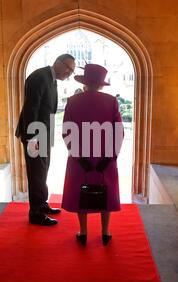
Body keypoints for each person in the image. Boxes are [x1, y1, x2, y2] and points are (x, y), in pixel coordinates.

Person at [61, 64, 124, 245]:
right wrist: (110, 157)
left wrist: (79, 157)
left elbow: (67, 132)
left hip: (80, 158)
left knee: (82, 192)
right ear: (101, 84)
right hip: (105, 157)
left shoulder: (72, 101)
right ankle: (105, 232)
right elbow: (118, 132)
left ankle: (83, 232)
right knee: (106, 191)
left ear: (85, 83)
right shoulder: (112, 101)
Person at [15, 54, 76, 226]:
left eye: (71, 70)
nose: (69, 73)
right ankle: (36, 213)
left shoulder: (51, 78)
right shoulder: (39, 77)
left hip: (44, 133)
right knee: (36, 174)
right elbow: (31, 109)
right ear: (58, 62)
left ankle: (42, 205)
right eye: (68, 68)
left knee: (42, 171)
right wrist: (33, 138)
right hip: (36, 134)